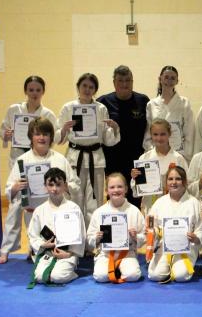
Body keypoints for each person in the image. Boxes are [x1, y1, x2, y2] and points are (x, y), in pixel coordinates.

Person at [0, 118, 80, 264]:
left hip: (56, 212)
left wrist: (67, 187)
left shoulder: (60, 159)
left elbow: (75, 185)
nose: (41, 138)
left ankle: (64, 249)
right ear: (31, 137)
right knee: (15, 206)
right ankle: (7, 250)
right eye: (37, 134)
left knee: (56, 249)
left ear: (50, 137)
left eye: (45, 134)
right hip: (32, 212)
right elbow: (9, 189)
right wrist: (16, 187)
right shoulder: (22, 161)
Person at [0, 76, 58, 263]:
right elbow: (3, 132)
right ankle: (6, 250)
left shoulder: (47, 113)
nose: (34, 93)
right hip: (20, 159)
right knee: (17, 205)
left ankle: (34, 247)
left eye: (37, 90)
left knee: (37, 205)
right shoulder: (14, 110)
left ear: (43, 92)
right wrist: (6, 135)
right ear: (26, 91)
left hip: (41, 161)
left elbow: (54, 137)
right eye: (31, 90)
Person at [56, 73, 120, 223]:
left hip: (95, 158)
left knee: (95, 199)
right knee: (73, 197)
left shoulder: (100, 108)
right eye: (84, 85)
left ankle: (93, 239)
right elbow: (59, 139)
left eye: (91, 87)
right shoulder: (68, 108)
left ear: (95, 90)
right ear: (78, 87)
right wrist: (64, 129)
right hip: (74, 157)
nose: (87, 89)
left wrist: (115, 129)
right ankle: (75, 237)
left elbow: (107, 139)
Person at [97, 65, 150, 207]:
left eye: (128, 80)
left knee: (137, 199)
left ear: (132, 81)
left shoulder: (143, 101)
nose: (124, 84)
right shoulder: (102, 102)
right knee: (115, 199)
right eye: (120, 80)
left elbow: (150, 130)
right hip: (113, 161)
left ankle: (135, 229)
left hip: (137, 160)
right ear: (114, 82)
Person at [26, 168, 85, 287]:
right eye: (51, 185)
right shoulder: (39, 210)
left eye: (58, 185)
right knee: (39, 277)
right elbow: (33, 235)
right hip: (47, 251)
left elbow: (81, 235)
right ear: (45, 186)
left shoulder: (73, 208)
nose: (54, 189)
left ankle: (72, 271)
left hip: (67, 251)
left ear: (65, 186)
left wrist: (70, 254)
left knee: (58, 277)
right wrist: (42, 245)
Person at [147, 166, 202, 283]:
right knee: (154, 275)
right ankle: (168, 265)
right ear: (166, 181)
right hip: (164, 248)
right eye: (170, 179)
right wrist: (154, 233)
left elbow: (201, 228)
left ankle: (176, 266)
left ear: (184, 181)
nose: (174, 182)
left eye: (178, 179)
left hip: (186, 249)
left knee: (181, 276)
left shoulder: (194, 203)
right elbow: (151, 226)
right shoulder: (159, 203)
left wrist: (196, 238)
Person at [87, 173, 145, 283]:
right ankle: (112, 269)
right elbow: (89, 238)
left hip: (127, 253)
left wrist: (136, 236)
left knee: (133, 276)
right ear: (106, 191)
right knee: (101, 277)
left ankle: (120, 269)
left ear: (126, 189)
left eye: (120, 186)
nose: (116, 190)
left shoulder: (134, 211)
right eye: (112, 187)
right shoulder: (99, 212)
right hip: (105, 254)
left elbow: (144, 234)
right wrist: (97, 238)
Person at [130, 119, 188, 217]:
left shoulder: (178, 158)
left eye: (163, 134)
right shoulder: (144, 158)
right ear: (151, 135)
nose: (159, 138)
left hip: (172, 204)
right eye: (155, 134)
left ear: (169, 134)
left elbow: (186, 184)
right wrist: (135, 178)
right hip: (150, 204)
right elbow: (137, 192)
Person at [144, 65, 195, 163]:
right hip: (157, 153)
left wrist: (185, 155)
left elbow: (189, 133)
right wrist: (151, 152)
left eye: (173, 78)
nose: (169, 81)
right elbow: (148, 133)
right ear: (160, 79)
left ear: (177, 81)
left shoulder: (184, 103)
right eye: (166, 77)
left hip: (179, 153)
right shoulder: (151, 104)